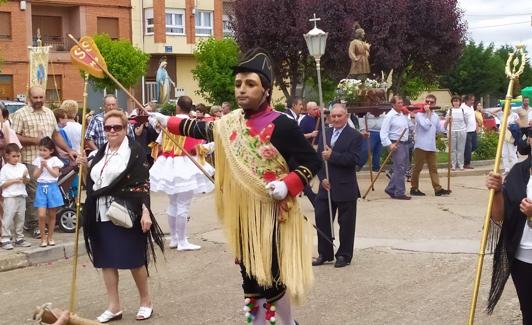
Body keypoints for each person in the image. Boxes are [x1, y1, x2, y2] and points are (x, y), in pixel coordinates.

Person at [151, 49, 320, 325]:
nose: (241, 90)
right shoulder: (230, 123)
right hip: (243, 217)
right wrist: (166, 121)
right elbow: (201, 129)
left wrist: (287, 184)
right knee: (250, 281)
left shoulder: (282, 124)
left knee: (273, 279)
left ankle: (285, 323)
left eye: (250, 84)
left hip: (272, 215)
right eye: (238, 84)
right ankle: (255, 322)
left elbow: (311, 161)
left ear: (266, 90)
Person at [79, 110, 164, 322]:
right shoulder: (100, 153)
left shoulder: (134, 152)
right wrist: (84, 167)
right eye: (108, 128)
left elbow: (142, 184)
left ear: (125, 129)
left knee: (134, 260)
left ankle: (146, 302)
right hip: (100, 213)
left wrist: (145, 212)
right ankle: (114, 306)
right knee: (106, 261)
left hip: (126, 212)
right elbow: (92, 183)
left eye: (117, 127)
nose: (112, 131)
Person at [149, 96, 214, 251]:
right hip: (185, 166)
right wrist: (213, 146)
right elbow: (197, 148)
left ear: (178, 107)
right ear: (190, 108)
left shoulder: (167, 122)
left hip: (168, 165)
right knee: (182, 205)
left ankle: (174, 238)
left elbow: (158, 143)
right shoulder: (191, 124)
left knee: (172, 203)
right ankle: (182, 241)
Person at [11, 86, 76, 239]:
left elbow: (55, 134)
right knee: (34, 192)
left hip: (51, 161)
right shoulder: (21, 114)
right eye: (36, 98)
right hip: (30, 160)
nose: (39, 100)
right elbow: (15, 137)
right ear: (29, 97)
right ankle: (34, 225)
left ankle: (40, 221)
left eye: (41, 97)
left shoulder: (49, 113)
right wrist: (35, 141)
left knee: (47, 191)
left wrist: (68, 150)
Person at [486, 130, 532, 324]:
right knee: (529, 313)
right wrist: (496, 192)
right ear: (530, 140)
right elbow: (499, 216)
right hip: (522, 259)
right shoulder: (518, 171)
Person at [312, 103, 362, 268]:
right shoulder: (325, 133)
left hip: (345, 185)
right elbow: (319, 159)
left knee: (346, 223)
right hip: (326, 185)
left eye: (339, 116)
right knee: (322, 218)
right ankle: (324, 253)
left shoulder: (354, 135)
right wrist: (322, 177)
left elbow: (354, 160)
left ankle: (344, 255)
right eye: (333, 116)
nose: (336, 119)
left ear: (346, 116)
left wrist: (333, 155)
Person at [410, 95, 451, 197]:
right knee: (417, 168)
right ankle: (414, 188)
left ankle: (438, 189)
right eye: (427, 101)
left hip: (431, 146)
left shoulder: (435, 116)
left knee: (433, 168)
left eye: (431, 102)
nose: (428, 104)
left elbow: (439, 130)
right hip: (421, 145)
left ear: (434, 103)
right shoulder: (419, 115)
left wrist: (446, 122)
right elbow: (425, 126)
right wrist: (428, 113)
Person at [33, 137, 64, 247]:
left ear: (51, 150)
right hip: (41, 187)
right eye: (40, 149)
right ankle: (43, 238)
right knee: (41, 215)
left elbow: (55, 174)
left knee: (52, 215)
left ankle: (50, 237)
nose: (42, 152)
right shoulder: (38, 160)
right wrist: (41, 167)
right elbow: (35, 176)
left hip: (52, 187)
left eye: (44, 150)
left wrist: (47, 166)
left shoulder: (55, 160)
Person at [380, 96, 411, 200]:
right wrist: (389, 144)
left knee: (403, 167)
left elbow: (409, 126)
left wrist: (411, 115)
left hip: (405, 142)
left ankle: (390, 188)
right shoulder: (390, 116)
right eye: (399, 103)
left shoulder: (403, 114)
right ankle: (399, 192)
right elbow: (383, 133)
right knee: (400, 168)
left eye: (402, 102)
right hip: (395, 143)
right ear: (393, 104)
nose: (401, 104)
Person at [0, 144, 30, 250]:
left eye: (18, 156)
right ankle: (5, 239)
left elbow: (27, 181)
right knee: (7, 218)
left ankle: (19, 238)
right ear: (7, 156)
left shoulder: (22, 167)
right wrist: (15, 180)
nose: (16, 158)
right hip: (10, 197)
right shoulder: (5, 169)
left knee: (20, 218)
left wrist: (24, 177)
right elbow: (2, 184)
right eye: (14, 156)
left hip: (21, 195)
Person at [445, 96, 468, 170]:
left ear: (460, 102)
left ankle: (461, 164)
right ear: (452, 102)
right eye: (454, 101)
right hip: (452, 131)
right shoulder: (450, 111)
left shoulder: (462, 110)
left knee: (461, 148)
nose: (456, 102)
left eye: (457, 101)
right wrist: (448, 120)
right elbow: (446, 122)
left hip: (461, 131)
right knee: (452, 149)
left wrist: (463, 129)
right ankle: (453, 164)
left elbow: (466, 121)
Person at [462, 94, 477, 169]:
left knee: (474, 146)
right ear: (466, 100)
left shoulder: (471, 107)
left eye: (473, 100)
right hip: (466, 131)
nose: (473, 101)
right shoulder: (462, 107)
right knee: (468, 147)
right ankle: (466, 163)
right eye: (471, 100)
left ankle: (464, 158)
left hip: (473, 130)